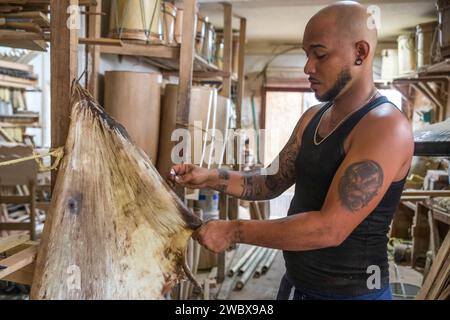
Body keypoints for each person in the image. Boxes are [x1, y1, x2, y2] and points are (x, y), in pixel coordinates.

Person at [168, 1, 413, 300]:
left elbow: (329, 229)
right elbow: (270, 181)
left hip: (351, 295)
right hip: (296, 285)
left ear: (360, 53)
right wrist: (210, 177)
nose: (308, 67)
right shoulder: (313, 117)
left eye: (320, 54)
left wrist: (235, 230)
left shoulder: (385, 127)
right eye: (307, 54)